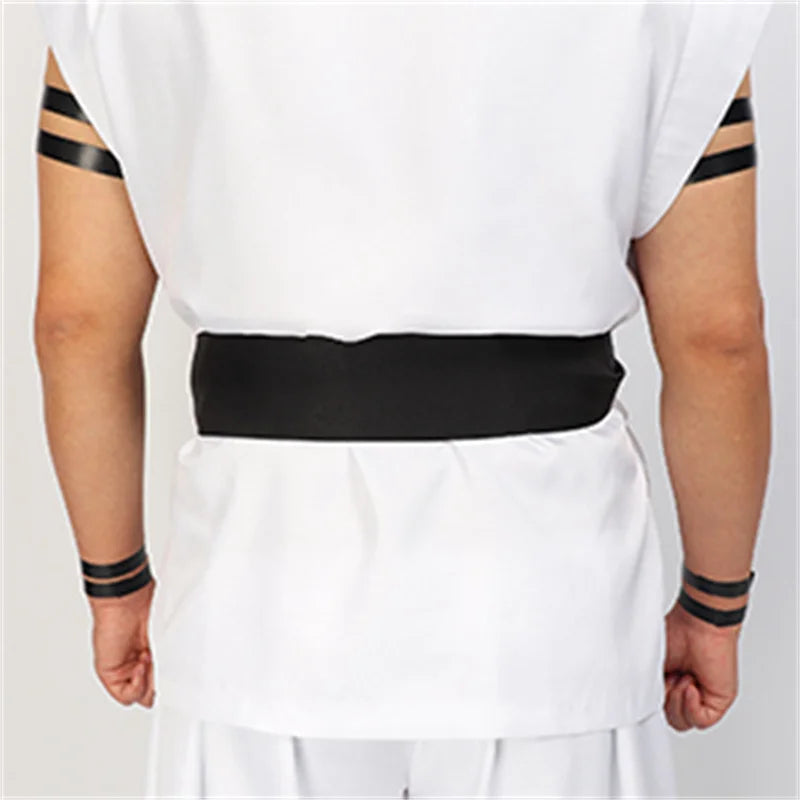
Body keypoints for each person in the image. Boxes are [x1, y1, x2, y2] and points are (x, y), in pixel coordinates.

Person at [32, 2, 772, 797]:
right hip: (549, 596)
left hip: (258, 590)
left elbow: (77, 323)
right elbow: (717, 337)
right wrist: (713, 606)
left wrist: (117, 589)